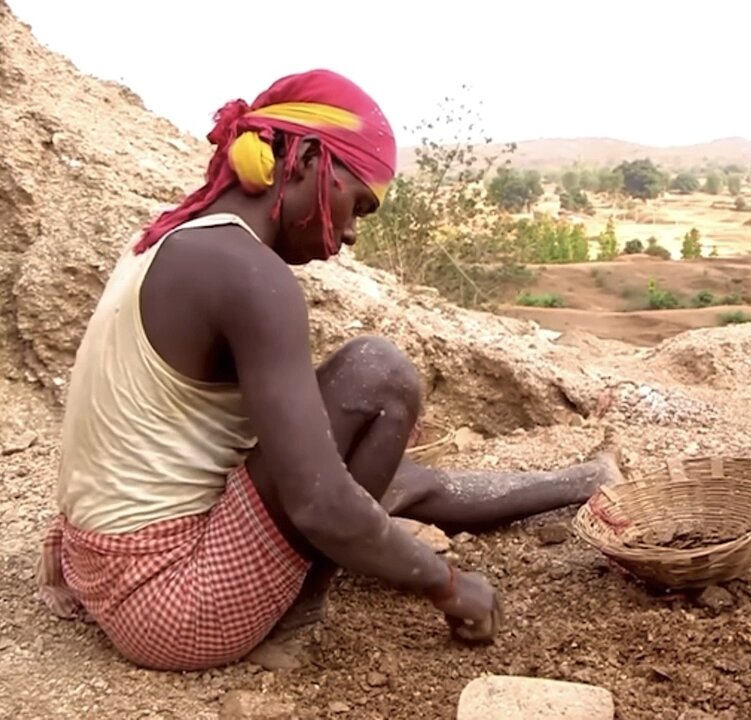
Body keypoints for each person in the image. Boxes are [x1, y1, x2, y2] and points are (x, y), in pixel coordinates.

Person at [35, 69, 619, 672]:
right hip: (172, 605)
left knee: (372, 473)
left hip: (96, 562)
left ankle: (582, 481)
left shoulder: (174, 237)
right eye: (358, 203)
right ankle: (297, 611)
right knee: (378, 376)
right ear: (312, 157)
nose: (353, 232)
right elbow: (319, 505)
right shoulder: (250, 275)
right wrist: (446, 584)